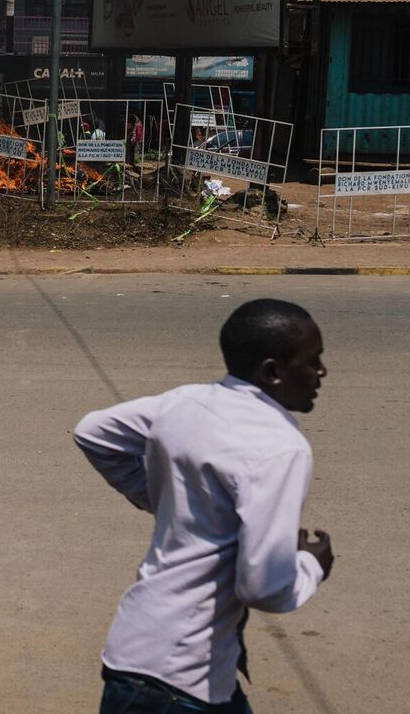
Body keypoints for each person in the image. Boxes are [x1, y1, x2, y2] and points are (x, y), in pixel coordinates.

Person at [74, 299, 333, 714]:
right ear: (272, 372)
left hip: (146, 654)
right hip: (178, 678)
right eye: (313, 360)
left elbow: (94, 432)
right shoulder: (281, 448)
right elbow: (263, 587)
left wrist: (162, 498)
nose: (322, 372)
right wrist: (310, 565)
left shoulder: (185, 401)